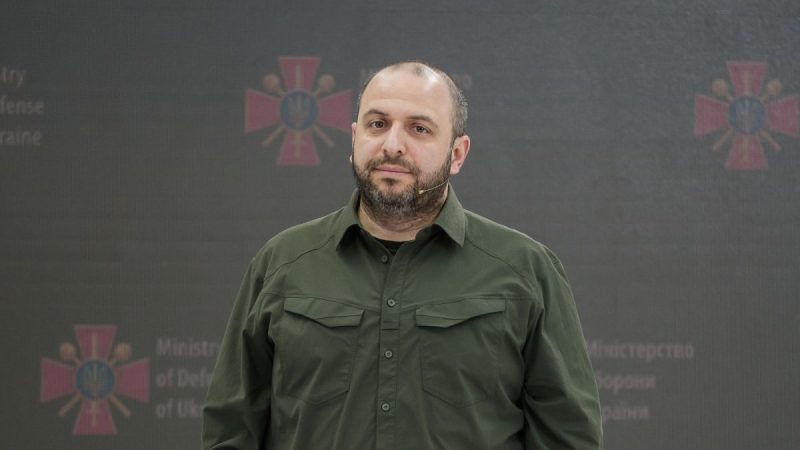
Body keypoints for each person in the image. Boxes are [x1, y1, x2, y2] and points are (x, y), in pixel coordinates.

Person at [202, 60, 602, 449]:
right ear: (355, 138)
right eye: (378, 124)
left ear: (457, 154)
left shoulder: (525, 271)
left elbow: (567, 437)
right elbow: (231, 429)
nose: (392, 145)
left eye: (419, 128)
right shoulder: (283, 264)